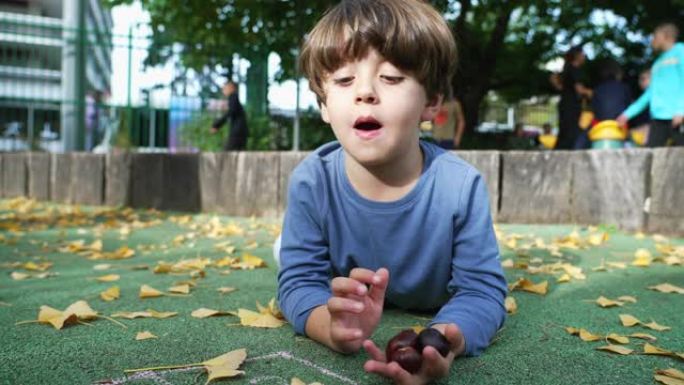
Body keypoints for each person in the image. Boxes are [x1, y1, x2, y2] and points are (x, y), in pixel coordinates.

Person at [276, 1, 507, 384]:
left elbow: (482, 292)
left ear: (431, 101)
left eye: (392, 77)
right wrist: (331, 327)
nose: (365, 92)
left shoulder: (460, 187)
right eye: (344, 80)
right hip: (336, 276)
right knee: (290, 254)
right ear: (323, 104)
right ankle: (285, 243)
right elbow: (299, 283)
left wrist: (442, 342)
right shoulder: (311, 182)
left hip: (433, 303)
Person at [617, 23, 684, 147]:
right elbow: (649, 94)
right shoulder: (657, 64)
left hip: (678, 116)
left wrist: (681, 110)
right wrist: (627, 114)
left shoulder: (681, 51)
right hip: (658, 119)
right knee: (652, 155)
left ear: (666, 36)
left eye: (655, 36)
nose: (653, 40)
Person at [555, 46, 593, 149]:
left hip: (565, 105)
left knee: (565, 132)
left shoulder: (567, 69)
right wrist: (593, 93)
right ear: (577, 56)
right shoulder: (575, 70)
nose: (585, 56)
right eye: (583, 54)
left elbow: (559, 85)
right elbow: (580, 90)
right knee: (570, 134)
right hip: (571, 106)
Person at [210, 81, 249, 150]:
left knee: (228, 152)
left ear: (231, 88)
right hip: (240, 131)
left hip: (237, 132)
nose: (223, 91)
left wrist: (217, 125)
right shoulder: (234, 98)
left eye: (225, 88)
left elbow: (231, 112)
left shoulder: (233, 97)